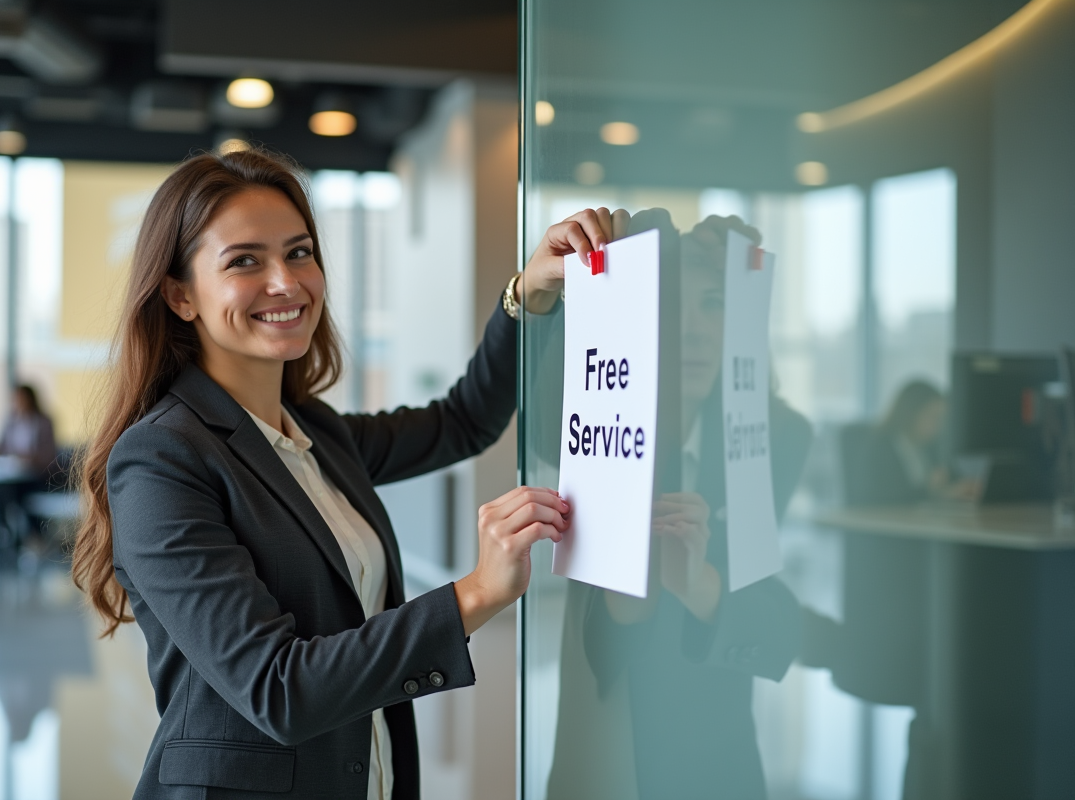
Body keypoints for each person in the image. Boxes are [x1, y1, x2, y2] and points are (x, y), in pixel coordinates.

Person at [70, 149, 616, 800]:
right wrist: (476, 594)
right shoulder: (162, 458)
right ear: (179, 295)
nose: (287, 282)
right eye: (245, 261)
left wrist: (527, 296)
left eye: (299, 252)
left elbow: (463, 421)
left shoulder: (315, 433)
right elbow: (279, 688)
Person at [547, 212, 812, 800]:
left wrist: (700, 584)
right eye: (673, 306)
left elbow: (772, 626)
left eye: (715, 304)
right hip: (609, 725)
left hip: (714, 734)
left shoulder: (776, 436)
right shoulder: (590, 420)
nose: (691, 330)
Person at [856, 379, 978, 505]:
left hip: (922, 518)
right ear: (911, 413)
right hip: (890, 519)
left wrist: (957, 487)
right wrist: (933, 491)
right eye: (933, 416)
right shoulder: (880, 449)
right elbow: (886, 497)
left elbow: (943, 479)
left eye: (941, 418)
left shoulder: (929, 447)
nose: (939, 425)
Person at [0, 384, 58, 476]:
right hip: (12, 470)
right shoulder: (11, 421)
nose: (19, 402)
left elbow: (49, 453)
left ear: (30, 399)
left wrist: (30, 458)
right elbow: (2, 446)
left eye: (22, 398)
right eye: (16, 399)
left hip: (37, 472)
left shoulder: (43, 422)